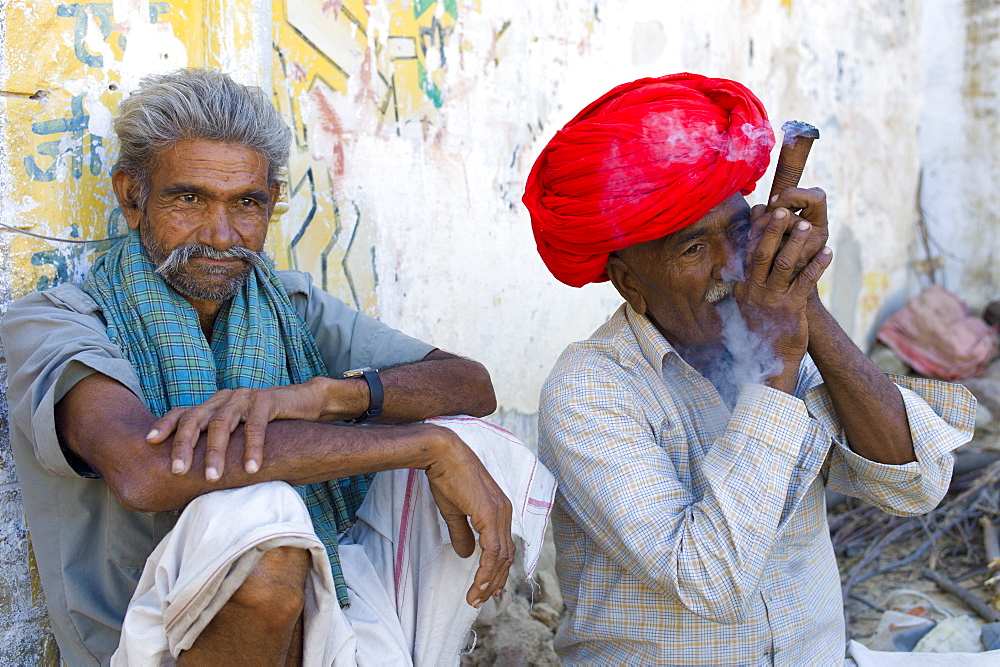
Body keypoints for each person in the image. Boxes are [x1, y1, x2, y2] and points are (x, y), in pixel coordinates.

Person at [1, 68, 554, 665]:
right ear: (132, 197)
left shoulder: (284, 305)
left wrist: (320, 398)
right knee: (267, 518)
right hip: (137, 643)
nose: (219, 234)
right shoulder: (54, 322)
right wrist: (422, 444)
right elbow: (146, 470)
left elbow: (470, 383)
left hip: (310, 614)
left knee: (474, 440)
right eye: (188, 199)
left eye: (246, 204)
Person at [522, 72, 975, 664]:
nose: (733, 267)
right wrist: (773, 363)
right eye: (691, 249)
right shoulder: (591, 389)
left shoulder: (772, 327)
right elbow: (711, 580)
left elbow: (914, 485)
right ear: (631, 284)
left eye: (739, 234)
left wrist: (805, 305)